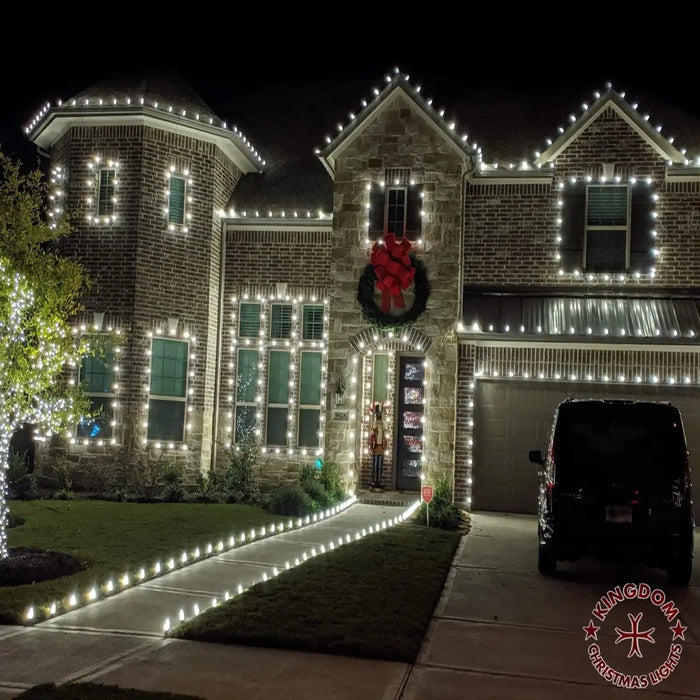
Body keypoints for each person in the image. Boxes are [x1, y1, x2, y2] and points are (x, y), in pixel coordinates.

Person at [369, 402, 387, 488]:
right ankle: (374, 481)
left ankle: (379, 481)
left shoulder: (383, 424)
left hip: (381, 447)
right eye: (378, 415)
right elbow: (372, 435)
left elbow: (385, 429)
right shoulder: (374, 424)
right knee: (375, 465)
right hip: (376, 446)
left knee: (380, 465)